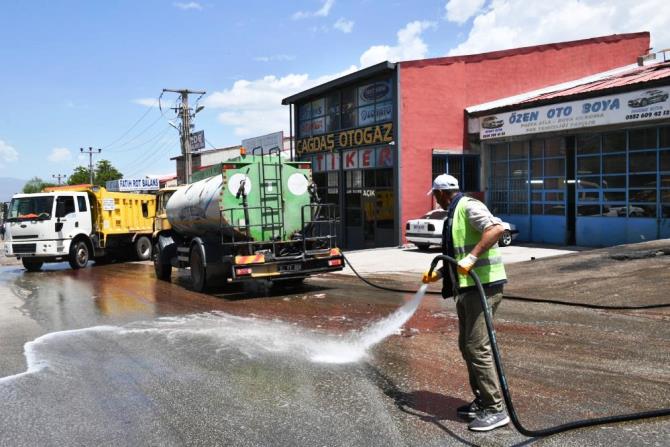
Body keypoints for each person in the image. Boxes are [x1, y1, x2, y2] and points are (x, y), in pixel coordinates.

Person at [422, 173, 509, 432]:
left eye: (435, 194)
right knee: (467, 345)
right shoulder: (454, 212)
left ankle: (495, 409)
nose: (435, 199)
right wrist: (438, 274)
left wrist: (472, 257)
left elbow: (496, 228)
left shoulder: (469, 206)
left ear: (441, 193)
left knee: (477, 347)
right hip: (467, 288)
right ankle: (483, 400)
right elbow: (454, 254)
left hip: (484, 286)